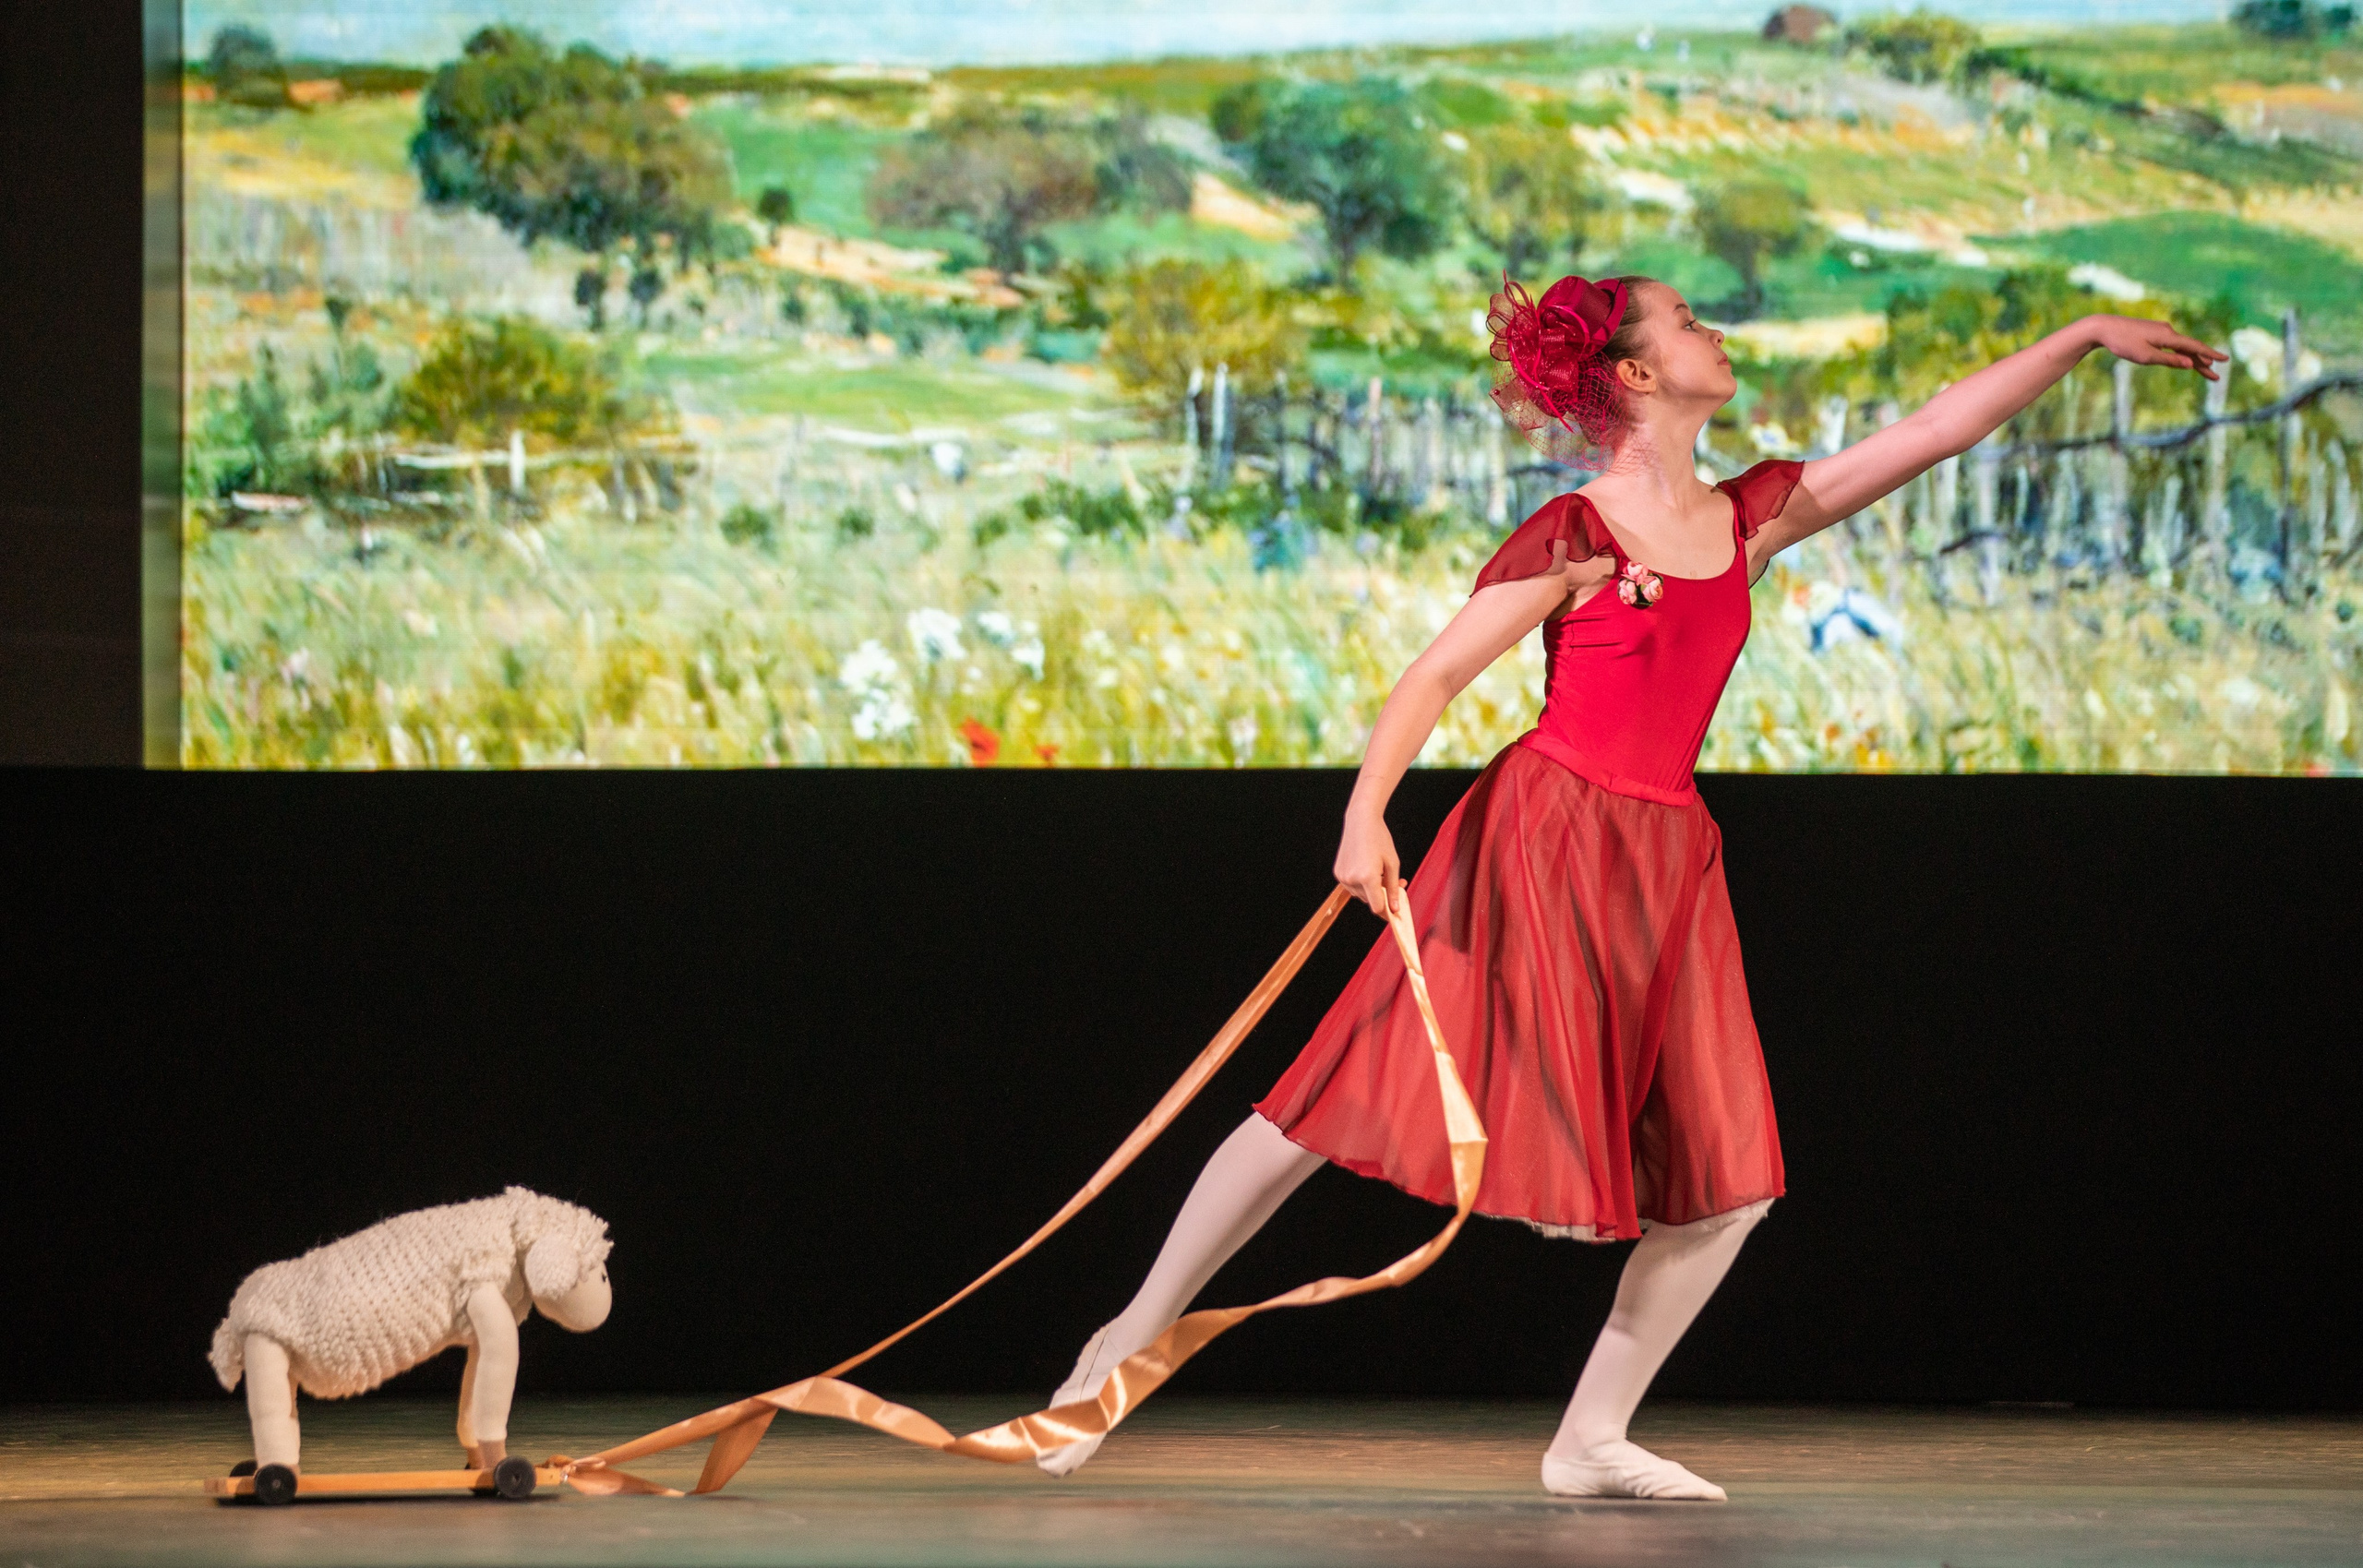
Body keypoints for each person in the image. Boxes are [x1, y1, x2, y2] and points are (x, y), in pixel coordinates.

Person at [1038, 274, 2223, 1499]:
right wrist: (1363, 814)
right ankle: (1122, 1345)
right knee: (1324, 1102)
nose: (1720, 334)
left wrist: (2080, 337)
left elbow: (1934, 431)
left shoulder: (1748, 517)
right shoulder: (1578, 533)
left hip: (1664, 865)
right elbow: (1432, 678)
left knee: (1728, 1179)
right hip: (1536, 839)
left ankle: (1589, 1436)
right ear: (1641, 375)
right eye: (1690, 324)